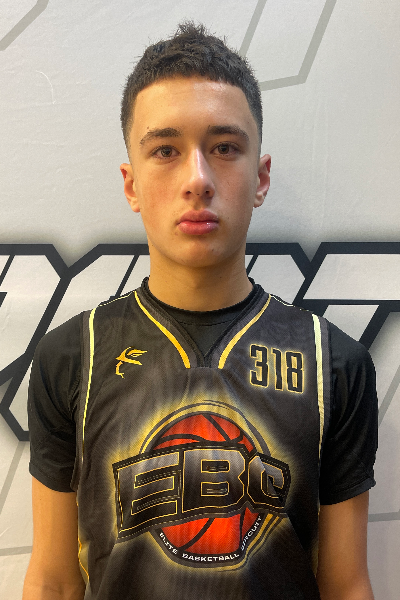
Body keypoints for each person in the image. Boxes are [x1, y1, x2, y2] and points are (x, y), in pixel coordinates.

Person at [23, 22, 378, 600]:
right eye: (165, 150)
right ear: (131, 184)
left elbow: (346, 585)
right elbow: (54, 581)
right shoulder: (71, 356)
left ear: (260, 177)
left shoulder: (333, 363)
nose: (197, 179)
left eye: (224, 148)